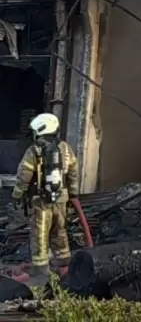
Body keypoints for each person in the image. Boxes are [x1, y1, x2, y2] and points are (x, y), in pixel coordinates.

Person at [12, 113, 78, 284]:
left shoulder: (34, 150)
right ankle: (63, 264)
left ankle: (41, 271)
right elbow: (73, 172)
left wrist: (17, 195)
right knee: (60, 230)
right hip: (61, 199)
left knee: (40, 234)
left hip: (40, 201)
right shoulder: (65, 148)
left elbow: (24, 175)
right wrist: (73, 194)